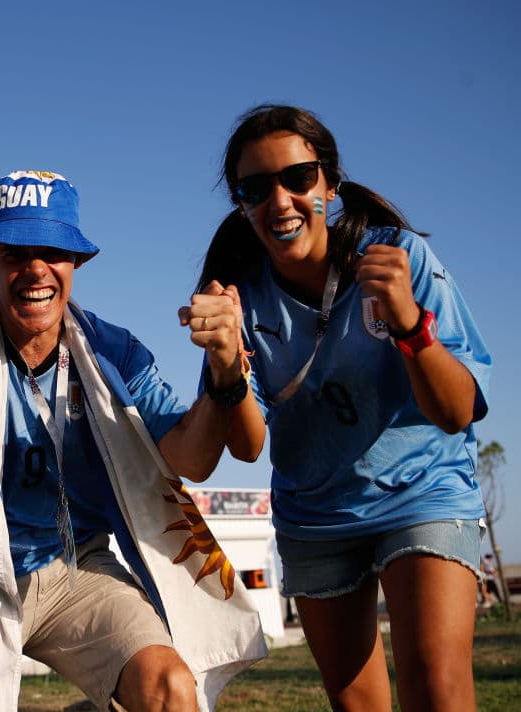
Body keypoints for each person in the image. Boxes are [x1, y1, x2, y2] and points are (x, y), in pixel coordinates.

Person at [0, 171, 266, 712]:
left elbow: (192, 459)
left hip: (79, 568)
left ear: (78, 262)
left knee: (170, 688)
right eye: (14, 252)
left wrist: (221, 368)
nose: (34, 269)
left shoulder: (112, 351)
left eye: (53, 251)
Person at [191, 104, 491, 712]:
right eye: (256, 189)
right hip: (316, 517)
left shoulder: (398, 261)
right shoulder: (237, 297)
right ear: (242, 204)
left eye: (298, 178)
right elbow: (248, 446)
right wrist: (226, 364)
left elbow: (458, 412)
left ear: (329, 182)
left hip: (421, 493)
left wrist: (411, 326)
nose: (280, 201)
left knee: (437, 688)